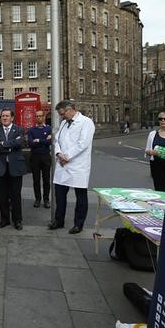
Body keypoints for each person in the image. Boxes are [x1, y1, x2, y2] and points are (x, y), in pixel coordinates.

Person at [48, 100, 95, 234]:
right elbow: (57, 140)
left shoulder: (86, 122)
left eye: (62, 114)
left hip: (78, 165)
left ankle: (78, 224)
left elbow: (83, 144)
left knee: (80, 196)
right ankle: (59, 220)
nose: (61, 117)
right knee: (60, 195)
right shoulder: (63, 123)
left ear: (70, 110)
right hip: (63, 165)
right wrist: (58, 153)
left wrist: (66, 156)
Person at [0, 108, 26, 230]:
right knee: (2, 196)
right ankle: (4, 219)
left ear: (12, 117)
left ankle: (17, 220)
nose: (4, 118)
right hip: (1, 167)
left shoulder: (19, 129)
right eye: (2, 116)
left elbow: (20, 143)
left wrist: (3, 144)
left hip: (15, 167)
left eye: (7, 116)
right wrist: (10, 145)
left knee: (16, 195)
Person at [28, 110, 52, 208]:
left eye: (40, 116)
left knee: (46, 180)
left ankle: (46, 199)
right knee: (36, 180)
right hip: (35, 157)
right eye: (37, 116)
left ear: (43, 117)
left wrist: (38, 140)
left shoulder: (49, 128)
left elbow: (49, 142)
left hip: (46, 156)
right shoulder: (31, 130)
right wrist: (44, 140)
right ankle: (37, 199)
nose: (39, 118)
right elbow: (30, 143)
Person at [145, 111, 165, 192]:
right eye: (160, 119)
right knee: (159, 190)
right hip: (157, 167)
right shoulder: (152, 134)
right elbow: (147, 150)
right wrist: (151, 152)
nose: (163, 121)